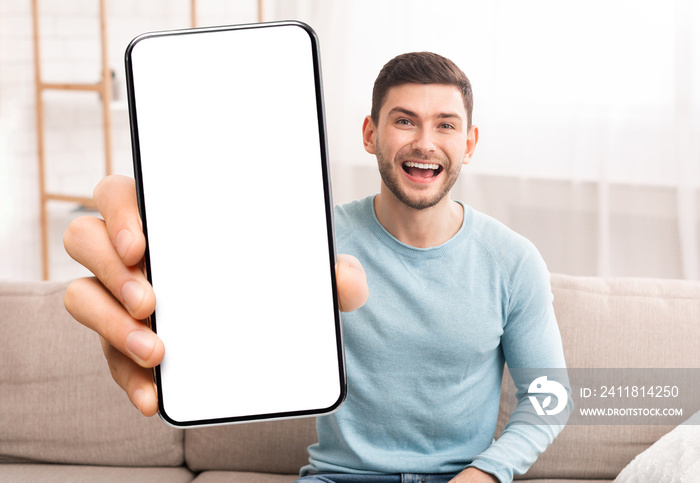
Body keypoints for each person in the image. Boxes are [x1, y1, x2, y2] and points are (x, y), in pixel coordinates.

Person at [64, 52, 568, 483]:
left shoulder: (513, 260)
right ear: (371, 134)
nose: (425, 141)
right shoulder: (309, 237)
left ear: (469, 143)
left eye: (446, 125)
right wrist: (161, 284)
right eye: (404, 120)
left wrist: (485, 474)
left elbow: (550, 399)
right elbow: (227, 304)